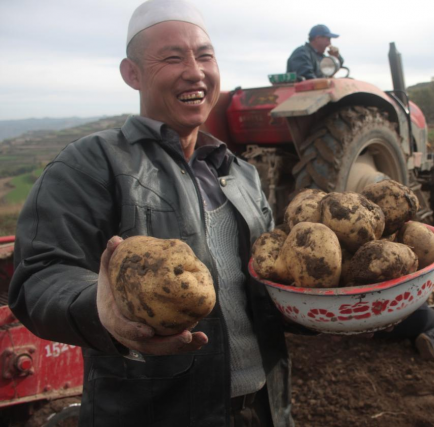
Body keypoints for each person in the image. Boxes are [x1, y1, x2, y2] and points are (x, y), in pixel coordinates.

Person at [9, 1, 293, 425]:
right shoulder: (92, 163)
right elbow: (41, 274)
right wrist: (100, 309)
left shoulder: (242, 175)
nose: (195, 71)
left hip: (263, 410)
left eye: (204, 55)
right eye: (173, 57)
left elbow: (269, 287)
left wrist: (325, 302)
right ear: (132, 74)